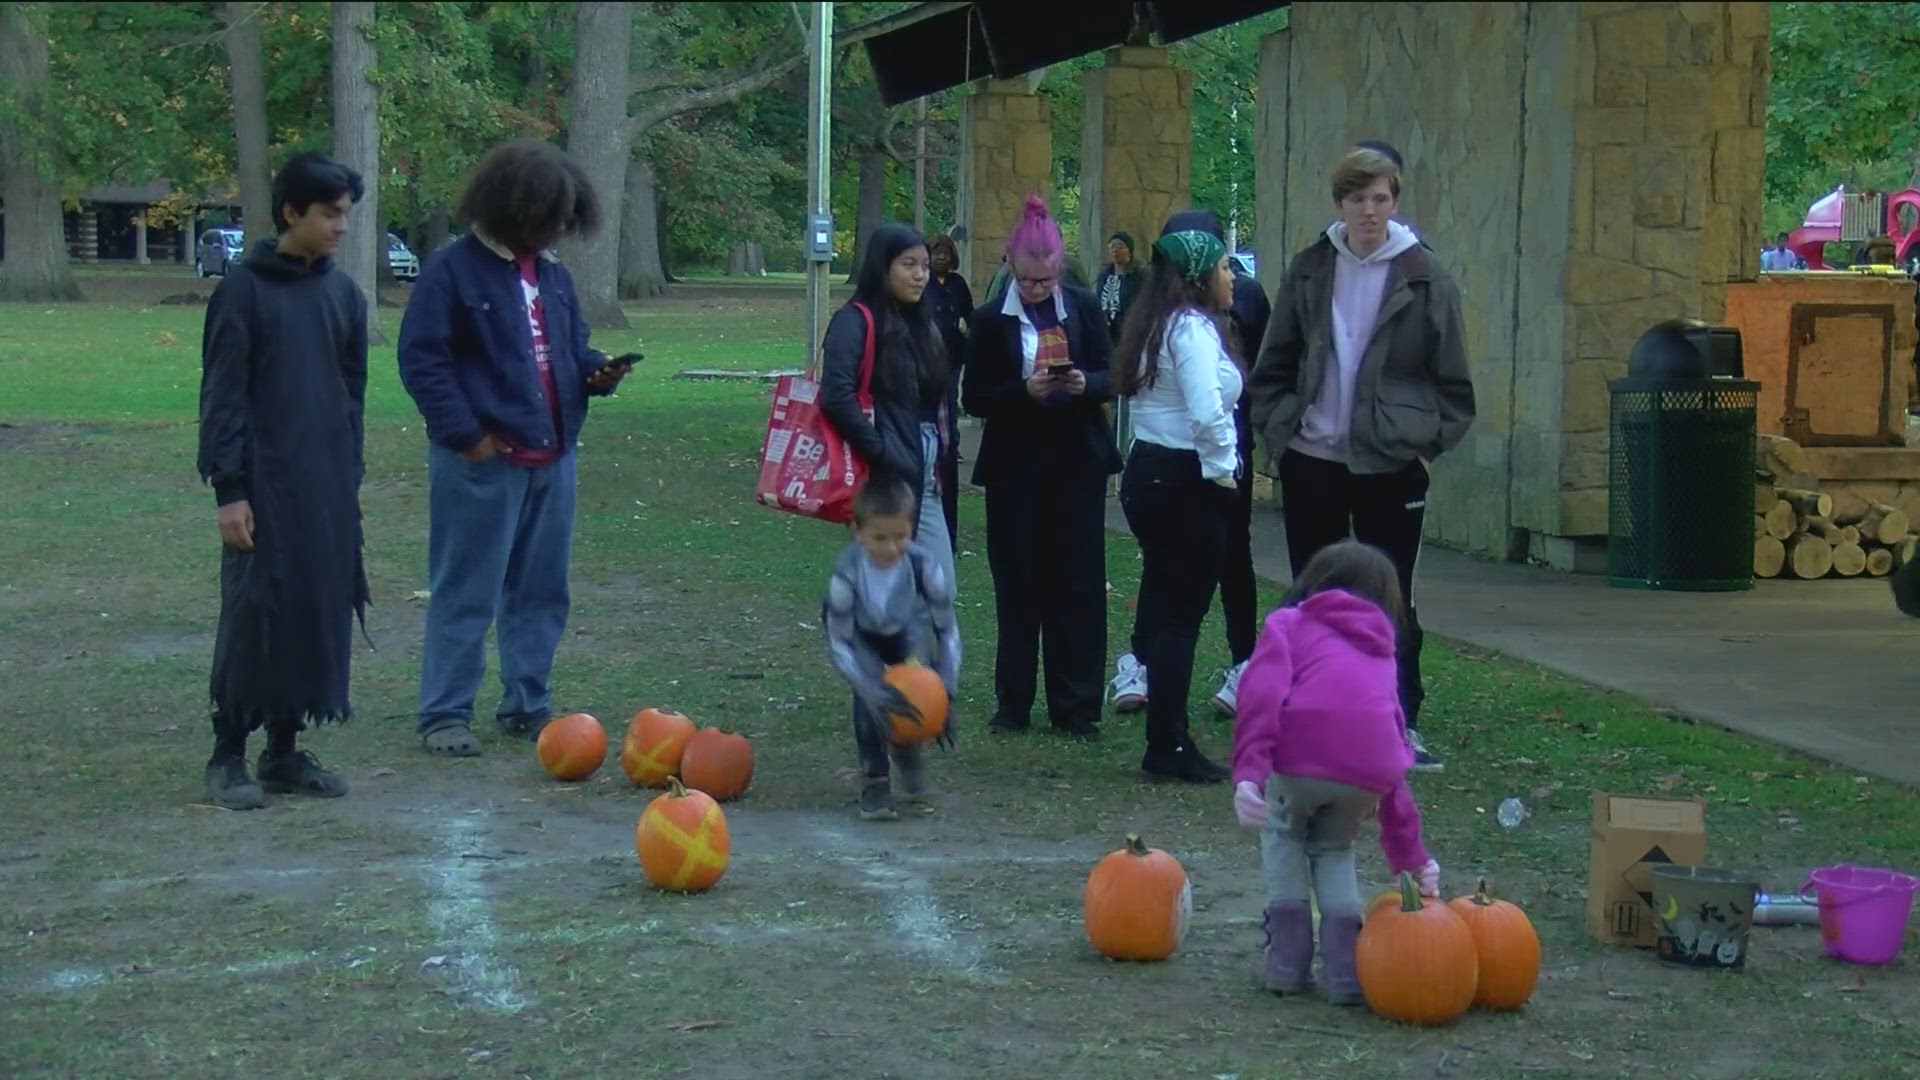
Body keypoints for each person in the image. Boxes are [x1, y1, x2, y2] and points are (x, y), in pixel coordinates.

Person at [398, 139, 631, 757]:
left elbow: (570, 348)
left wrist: (596, 372)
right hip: (483, 462)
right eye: (549, 217)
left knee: (542, 589)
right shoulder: (450, 271)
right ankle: (444, 712)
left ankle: (527, 701)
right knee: (467, 588)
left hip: (554, 456)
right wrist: (466, 436)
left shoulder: (552, 275)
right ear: (512, 208)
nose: (557, 229)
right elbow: (423, 360)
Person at [1249, 146, 1475, 772]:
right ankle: (1310, 721)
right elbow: (1275, 360)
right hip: (1312, 455)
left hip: (1391, 460)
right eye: (1357, 199)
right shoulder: (1311, 267)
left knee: (1390, 593)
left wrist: (1424, 448)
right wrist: (1278, 434)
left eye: (1379, 199)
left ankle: (1398, 722)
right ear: (1339, 204)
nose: (1369, 212)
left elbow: (1452, 379)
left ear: (1394, 202)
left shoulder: (1423, 274)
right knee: (1314, 591)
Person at [195, 152, 368, 810]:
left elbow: (350, 397)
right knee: (255, 613)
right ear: (291, 212)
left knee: (314, 606)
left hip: (323, 485)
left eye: (346, 214)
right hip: (262, 484)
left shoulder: (343, 296)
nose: (341, 227)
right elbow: (224, 395)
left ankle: (284, 752)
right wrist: (229, 489)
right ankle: (228, 753)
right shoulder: (243, 291)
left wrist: (347, 477)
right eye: (329, 214)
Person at [1230, 540, 1441, 1004]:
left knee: (1284, 838)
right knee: (1334, 850)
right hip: (1366, 775)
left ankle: (1287, 964)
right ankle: (1347, 974)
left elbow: (1260, 696)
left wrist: (1249, 772)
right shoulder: (1382, 650)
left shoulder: (1289, 625)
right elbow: (1390, 747)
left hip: (1301, 760)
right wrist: (1414, 857)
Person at [964, 195, 1120, 740]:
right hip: (1015, 464)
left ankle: (1075, 707)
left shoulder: (1083, 306)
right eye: (1028, 281)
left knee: (1077, 583)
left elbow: (1111, 373)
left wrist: (1085, 385)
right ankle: (1014, 702)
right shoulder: (989, 322)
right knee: (1018, 582)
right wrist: (1022, 392)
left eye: (1046, 280)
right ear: (1011, 267)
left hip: (1077, 459)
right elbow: (975, 396)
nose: (1037, 290)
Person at [1110, 209, 1271, 720]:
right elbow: (1207, 412)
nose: (1232, 277)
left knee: (1166, 595)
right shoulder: (1192, 330)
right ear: (1201, 276)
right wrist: (1224, 471)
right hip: (1182, 475)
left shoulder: (1157, 322)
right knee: (1182, 614)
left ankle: (1164, 730)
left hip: (1150, 470)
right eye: (1226, 267)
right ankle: (1169, 740)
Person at [819, 222, 959, 590]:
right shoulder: (855, 321)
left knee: (938, 587)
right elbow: (835, 395)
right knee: (889, 593)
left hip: (926, 473)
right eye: (908, 265)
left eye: (925, 266)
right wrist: (881, 451)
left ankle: (918, 650)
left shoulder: (922, 322)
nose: (920, 275)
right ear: (884, 267)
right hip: (884, 475)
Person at [821, 478, 961, 820]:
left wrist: (946, 688)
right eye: (879, 538)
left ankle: (908, 750)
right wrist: (872, 692)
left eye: (900, 537)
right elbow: (839, 641)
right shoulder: (845, 577)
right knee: (871, 703)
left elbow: (947, 629)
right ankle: (875, 780)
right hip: (863, 638)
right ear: (858, 531)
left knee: (915, 694)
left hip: (906, 633)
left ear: (910, 528)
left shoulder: (924, 566)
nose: (891, 548)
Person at [1094, 231, 1144, 342]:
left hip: (1129, 331)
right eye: (1111, 247)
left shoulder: (1139, 274)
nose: (1115, 250)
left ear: (1129, 251)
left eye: (1119, 247)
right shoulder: (1104, 276)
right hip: (1106, 332)